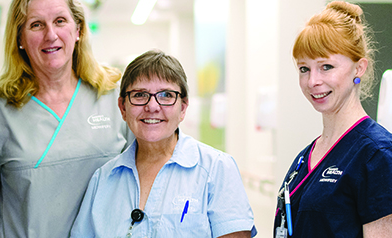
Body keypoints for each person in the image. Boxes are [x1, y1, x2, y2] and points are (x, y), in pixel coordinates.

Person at [0, 0, 134, 238]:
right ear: (19, 38)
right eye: (36, 25)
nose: (50, 35)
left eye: (60, 21)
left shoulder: (115, 97)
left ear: (78, 31)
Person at [70, 50, 257, 237]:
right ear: (123, 108)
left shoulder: (217, 169)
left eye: (166, 95)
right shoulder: (103, 179)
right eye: (139, 95)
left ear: (183, 108)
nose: (152, 106)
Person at [273, 1, 392, 237]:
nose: (312, 81)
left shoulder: (379, 155)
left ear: (359, 68)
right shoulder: (308, 155)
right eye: (304, 69)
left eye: (326, 66)